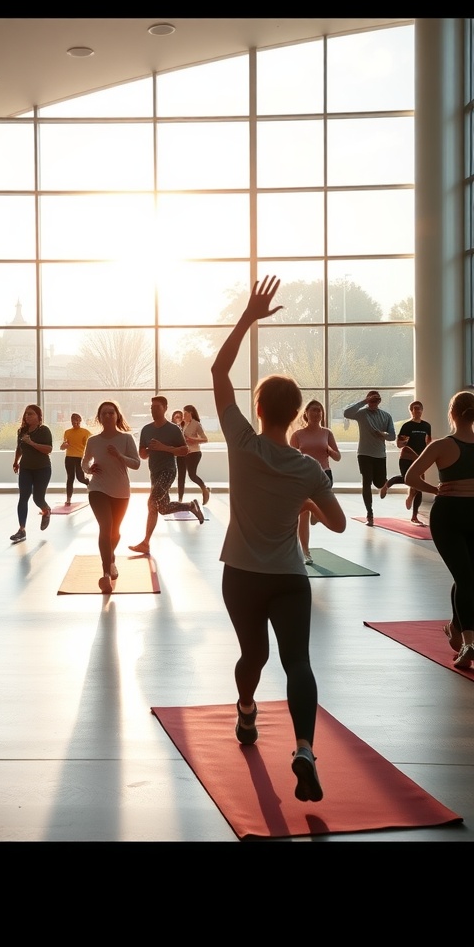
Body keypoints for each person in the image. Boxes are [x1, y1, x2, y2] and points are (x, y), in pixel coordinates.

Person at [211, 276, 346, 803]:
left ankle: (247, 712)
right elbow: (335, 526)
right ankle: (305, 749)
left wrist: (248, 316)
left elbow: (219, 370)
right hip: (290, 578)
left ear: (260, 408)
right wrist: (305, 500)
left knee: (253, 656)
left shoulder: (242, 442)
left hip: (242, 575)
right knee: (299, 663)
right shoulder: (308, 468)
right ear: (297, 414)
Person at [406, 390, 474, 670]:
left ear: (452, 413)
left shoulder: (442, 445)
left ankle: (461, 635)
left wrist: (435, 489)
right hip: (465, 515)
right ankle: (463, 638)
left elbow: (410, 476)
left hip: (448, 514)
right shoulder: (443, 445)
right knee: (467, 577)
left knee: (464, 576)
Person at [128, 395, 205, 554]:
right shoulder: (146, 429)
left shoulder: (173, 429)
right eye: (152, 407)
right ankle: (191, 506)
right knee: (162, 508)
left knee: (151, 503)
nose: (153, 410)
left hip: (168, 471)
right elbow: (142, 454)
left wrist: (164, 448)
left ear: (165, 408)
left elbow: (184, 450)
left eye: (157, 407)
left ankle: (146, 543)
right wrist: (149, 450)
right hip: (154, 472)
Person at [82, 400, 140, 593]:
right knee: (105, 527)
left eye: (111, 413)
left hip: (121, 491)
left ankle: (111, 558)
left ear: (117, 416)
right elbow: (84, 462)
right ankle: (106, 573)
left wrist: (119, 456)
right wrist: (88, 469)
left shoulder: (126, 439)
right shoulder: (93, 441)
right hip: (97, 488)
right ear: (99, 417)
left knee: (115, 532)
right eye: (104, 413)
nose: (108, 416)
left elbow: (136, 464)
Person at [290, 400, 341, 564]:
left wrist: (329, 450)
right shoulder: (297, 435)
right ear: (306, 414)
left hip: (324, 475)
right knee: (303, 514)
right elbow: (289, 458)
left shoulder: (327, 433)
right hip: (303, 477)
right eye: (313, 410)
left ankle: (316, 514)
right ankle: (306, 552)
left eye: (319, 411)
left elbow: (337, 457)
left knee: (317, 510)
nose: (317, 413)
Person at [344, 391, 396, 526]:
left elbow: (392, 436)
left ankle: (384, 483)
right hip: (364, 453)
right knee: (366, 482)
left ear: (379, 401)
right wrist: (363, 402)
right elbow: (347, 413)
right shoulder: (362, 414)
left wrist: (382, 434)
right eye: (370, 400)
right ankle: (370, 514)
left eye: (375, 400)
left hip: (379, 454)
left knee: (378, 483)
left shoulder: (386, 416)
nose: (372, 402)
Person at [379, 401, 432, 524]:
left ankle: (414, 516)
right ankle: (387, 484)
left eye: (419, 409)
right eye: (414, 409)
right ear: (411, 411)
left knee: (419, 485)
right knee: (407, 479)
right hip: (407, 458)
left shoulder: (426, 426)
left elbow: (428, 442)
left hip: (419, 459)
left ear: (422, 410)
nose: (417, 411)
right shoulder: (407, 426)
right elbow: (399, 444)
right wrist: (405, 443)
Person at [10, 404, 53, 542]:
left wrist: (32, 443)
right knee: (23, 497)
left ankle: (46, 510)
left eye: (31, 414)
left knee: (37, 498)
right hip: (26, 469)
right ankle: (21, 530)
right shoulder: (21, 431)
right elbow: (19, 448)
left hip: (42, 468)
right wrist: (16, 461)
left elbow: (48, 449)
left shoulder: (44, 430)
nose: (28, 416)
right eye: (26, 414)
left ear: (38, 416)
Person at [177, 404, 210, 505]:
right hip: (182, 453)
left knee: (192, 475)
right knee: (181, 476)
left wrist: (193, 439)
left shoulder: (196, 424)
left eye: (185, 413)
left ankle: (205, 489)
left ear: (190, 413)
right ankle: (180, 500)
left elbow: (205, 439)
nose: (184, 415)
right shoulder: (181, 424)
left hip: (194, 453)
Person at [60, 413, 91, 505]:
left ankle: (92, 485)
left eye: (77, 420)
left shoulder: (85, 432)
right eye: (73, 420)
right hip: (69, 458)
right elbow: (62, 447)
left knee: (80, 478)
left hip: (80, 458)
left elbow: (90, 445)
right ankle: (68, 499)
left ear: (80, 421)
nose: (75, 422)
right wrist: (64, 446)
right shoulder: (67, 432)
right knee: (70, 478)